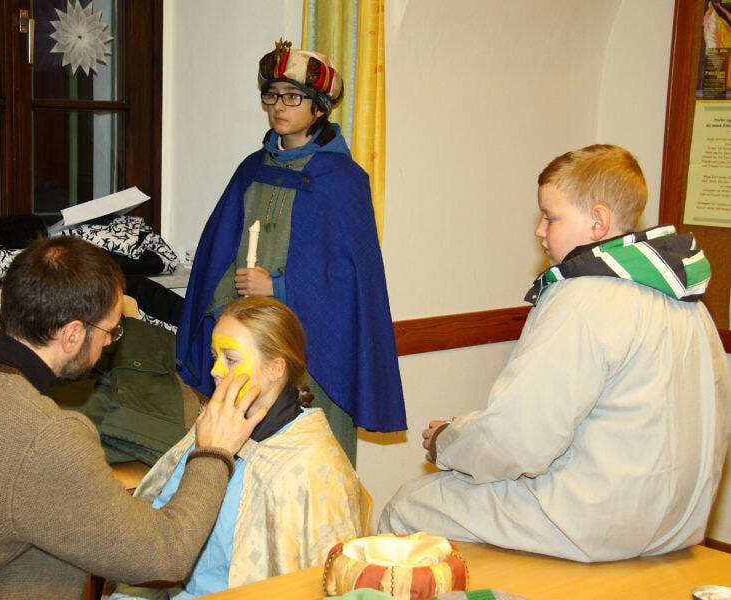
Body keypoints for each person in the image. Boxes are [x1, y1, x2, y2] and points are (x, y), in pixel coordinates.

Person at [0, 236, 267, 599]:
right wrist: (213, 452)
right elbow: (164, 558)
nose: (111, 343)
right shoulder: (44, 434)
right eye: (110, 331)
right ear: (73, 334)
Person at [379, 144, 729, 562]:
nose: (539, 231)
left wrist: (447, 441)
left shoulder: (584, 298)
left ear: (598, 221)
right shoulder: (686, 301)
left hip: (597, 522)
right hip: (676, 523)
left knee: (408, 506)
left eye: (551, 216)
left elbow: (519, 440)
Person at [176, 39, 406, 464]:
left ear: (319, 107)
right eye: (272, 95)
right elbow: (217, 252)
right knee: (248, 459)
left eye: (292, 96)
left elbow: (351, 280)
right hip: (251, 348)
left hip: (314, 350)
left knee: (311, 464)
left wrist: (279, 286)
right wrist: (230, 301)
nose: (279, 106)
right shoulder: (252, 170)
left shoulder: (343, 180)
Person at [112, 297, 363, 599]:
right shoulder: (218, 425)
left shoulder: (311, 466)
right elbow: (162, 521)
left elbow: (323, 580)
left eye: (230, 359)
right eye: (214, 357)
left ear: (275, 368)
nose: (216, 371)